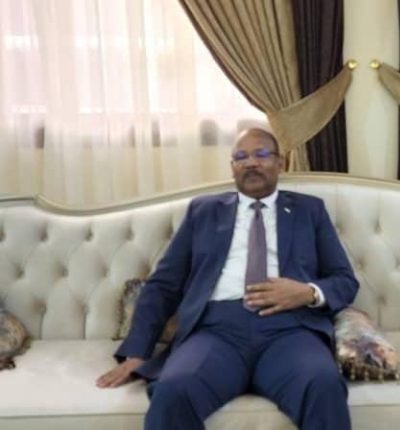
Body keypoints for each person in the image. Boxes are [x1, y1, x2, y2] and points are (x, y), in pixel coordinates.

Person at [96, 128, 359, 430]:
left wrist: (307, 292)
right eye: (241, 157)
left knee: (324, 386)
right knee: (172, 392)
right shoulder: (203, 211)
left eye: (261, 154)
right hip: (215, 332)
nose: (251, 163)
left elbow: (344, 280)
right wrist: (137, 351)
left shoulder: (309, 210)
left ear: (281, 163)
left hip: (290, 331)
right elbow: (164, 285)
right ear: (233, 167)